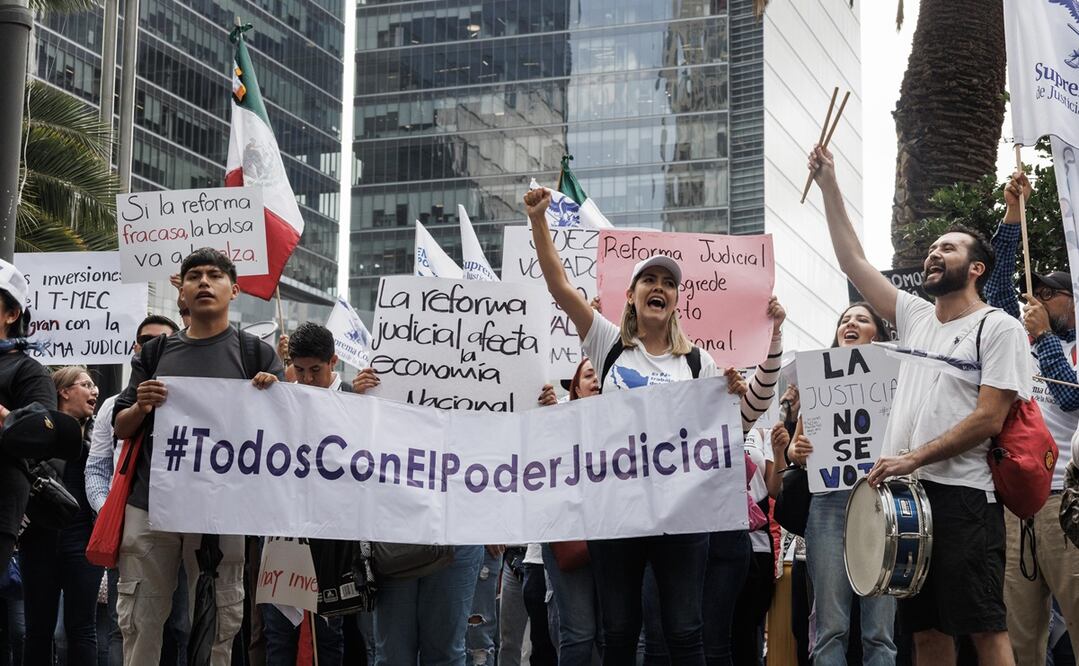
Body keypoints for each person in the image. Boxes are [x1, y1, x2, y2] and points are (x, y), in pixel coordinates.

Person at [523, 186, 783, 665]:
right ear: (633, 295)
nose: (659, 287)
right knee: (618, 632)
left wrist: (773, 340)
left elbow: (742, 421)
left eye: (668, 282)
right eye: (649, 280)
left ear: (677, 299)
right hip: (616, 515)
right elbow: (560, 287)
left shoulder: (700, 362)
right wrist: (539, 220)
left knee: (685, 632)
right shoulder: (609, 345)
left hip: (682, 518)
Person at [809, 144, 1030, 665]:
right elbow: (853, 262)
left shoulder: (997, 326)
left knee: (984, 628)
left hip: (963, 498)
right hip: (908, 502)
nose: (934, 253)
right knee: (926, 633)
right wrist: (829, 185)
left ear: (976, 267)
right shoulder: (915, 316)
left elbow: (989, 417)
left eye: (948, 248)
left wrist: (912, 458)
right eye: (932, 248)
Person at [112, 248, 284, 665]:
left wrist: (275, 394)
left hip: (222, 511)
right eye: (194, 276)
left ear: (234, 289)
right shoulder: (153, 355)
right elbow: (120, 425)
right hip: (150, 505)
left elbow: (288, 432)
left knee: (219, 621)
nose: (204, 282)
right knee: (140, 619)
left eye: (214, 275)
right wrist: (141, 407)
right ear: (182, 293)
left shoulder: (255, 356)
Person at [985, 171, 1079, 663]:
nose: (1037, 301)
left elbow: (1071, 400)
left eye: (1050, 294)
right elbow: (997, 283)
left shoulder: (1068, 345)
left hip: (1066, 500)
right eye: (1035, 294)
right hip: (1016, 503)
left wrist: (1045, 339)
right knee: (1021, 636)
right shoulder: (1015, 341)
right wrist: (1012, 209)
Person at [775, 303, 897, 665]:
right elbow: (798, 453)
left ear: (879, 333)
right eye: (845, 320)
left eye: (862, 319)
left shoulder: (897, 378)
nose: (851, 324)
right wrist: (797, 450)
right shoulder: (819, 383)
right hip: (828, 504)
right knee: (831, 630)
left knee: (880, 635)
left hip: (881, 505)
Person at [259, 322, 347, 666]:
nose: (308, 379)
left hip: (334, 538)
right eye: (300, 369)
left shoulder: (356, 401)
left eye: (316, 370)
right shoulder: (279, 396)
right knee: (278, 634)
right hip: (284, 532)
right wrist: (264, 390)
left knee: (329, 634)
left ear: (333, 362)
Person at [20, 367, 102, 665]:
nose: (95, 391)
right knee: (37, 629)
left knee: (82, 628)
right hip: (39, 538)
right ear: (64, 391)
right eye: (86, 385)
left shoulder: (102, 432)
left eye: (95, 386)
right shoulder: (37, 429)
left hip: (82, 540)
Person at [542, 358, 602, 665]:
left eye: (601, 375)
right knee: (578, 634)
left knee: (614, 634)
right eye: (589, 375)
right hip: (570, 536)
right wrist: (549, 418)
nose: (597, 381)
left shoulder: (626, 422)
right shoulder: (557, 419)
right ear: (575, 387)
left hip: (614, 535)